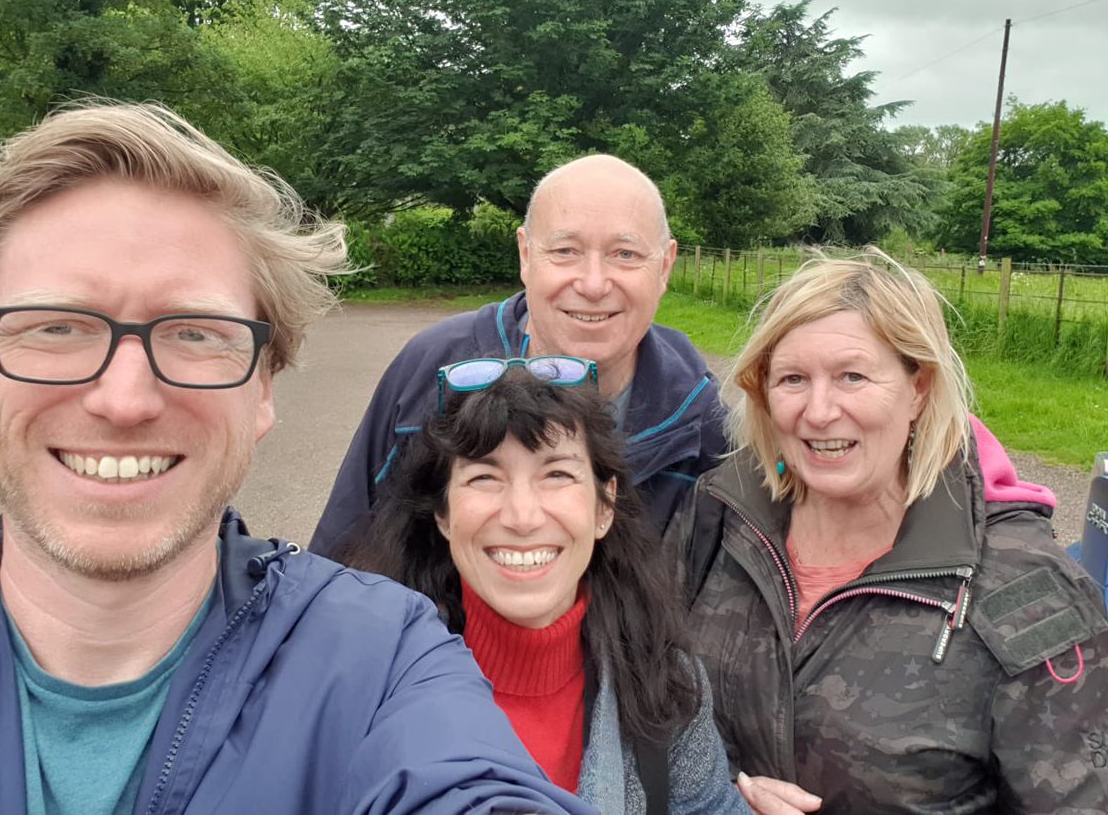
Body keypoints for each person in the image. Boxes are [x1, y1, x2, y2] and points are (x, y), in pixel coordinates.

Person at [0, 101, 594, 814]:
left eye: (195, 334)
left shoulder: (385, 659)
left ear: (263, 387)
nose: (125, 399)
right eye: (56, 326)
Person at [666, 248, 1108, 812]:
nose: (820, 411)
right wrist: (719, 796)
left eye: (852, 376)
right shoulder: (720, 515)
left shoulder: (1024, 591)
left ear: (918, 388)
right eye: (793, 379)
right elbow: (651, 707)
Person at [346, 359, 822, 815]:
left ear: (604, 507)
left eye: (557, 474)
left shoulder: (666, 687)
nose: (522, 516)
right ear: (443, 515)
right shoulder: (364, 690)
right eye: (485, 476)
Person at [311, 153, 727, 557]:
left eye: (625, 254)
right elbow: (339, 556)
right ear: (526, 255)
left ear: (665, 267)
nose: (594, 283)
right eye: (565, 251)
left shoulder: (701, 421)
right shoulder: (433, 369)